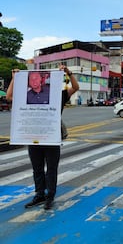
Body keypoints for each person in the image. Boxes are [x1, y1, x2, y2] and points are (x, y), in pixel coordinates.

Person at [6, 66, 79, 210]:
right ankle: (39, 194)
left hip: (51, 138)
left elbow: (75, 87)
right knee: (37, 169)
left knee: (51, 169)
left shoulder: (58, 95)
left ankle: (50, 196)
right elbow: (9, 97)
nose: (34, 81)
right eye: (31, 78)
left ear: (43, 80)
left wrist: (69, 73)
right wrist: (14, 79)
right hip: (34, 138)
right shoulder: (26, 96)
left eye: (37, 78)